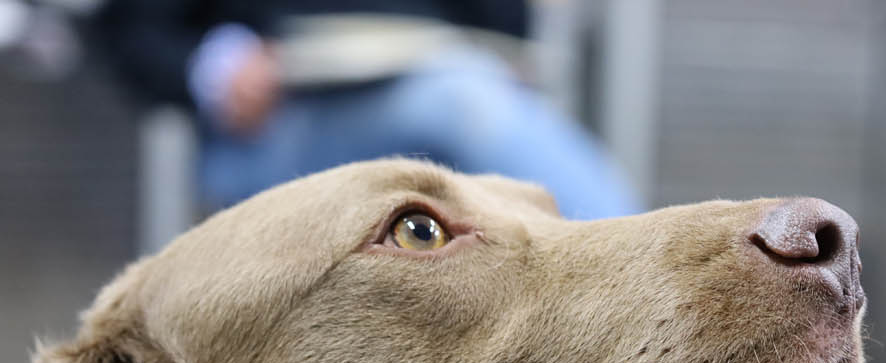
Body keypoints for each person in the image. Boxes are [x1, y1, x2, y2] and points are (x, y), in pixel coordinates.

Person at [92, 1, 640, 219]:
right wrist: (212, 66)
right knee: (461, 104)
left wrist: (502, 60)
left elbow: (504, 23)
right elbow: (128, 27)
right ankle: (629, 285)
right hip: (279, 117)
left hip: (440, 82)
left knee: (469, 100)